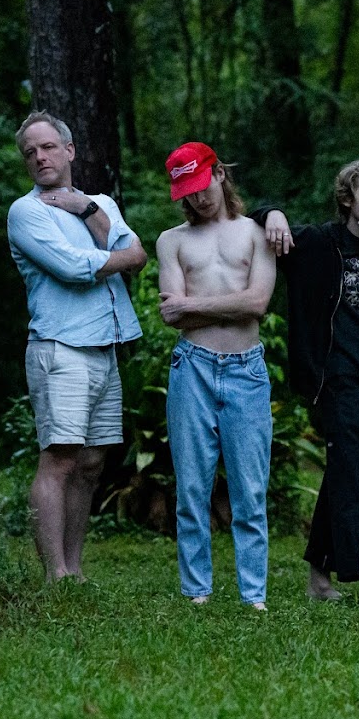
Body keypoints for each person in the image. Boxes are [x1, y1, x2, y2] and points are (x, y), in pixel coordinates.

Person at [254, 160, 359, 609]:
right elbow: (249, 220)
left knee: (350, 473)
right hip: (336, 376)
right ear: (348, 198)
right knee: (354, 475)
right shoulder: (318, 242)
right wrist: (271, 212)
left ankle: (317, 574)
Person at [6, 110, 147, 582]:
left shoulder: (100, 201)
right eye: (30, 152)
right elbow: (72, 267)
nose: (39, 157)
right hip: (59, 347)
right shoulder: (26, 212)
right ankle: (55, 575)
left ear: (69, 150)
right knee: (61, 457)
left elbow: (139, 259)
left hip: (104, 347)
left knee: (91, 463)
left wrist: (88, 211)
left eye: (47, 147)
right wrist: (115, 251)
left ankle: (75, 570)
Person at [156, 142, 277, 611]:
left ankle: (253, 596)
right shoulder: (173, 240)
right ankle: (197, 592)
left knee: (250, 487)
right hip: (193, 368)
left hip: (247, 368)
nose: (197, 198)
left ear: (219, 173)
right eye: (186, 191)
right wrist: (191, 310)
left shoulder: (256, 233)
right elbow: (172, 316)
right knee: (192, 487)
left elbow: (257, 304)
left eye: (201, 185)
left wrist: (191, 305)